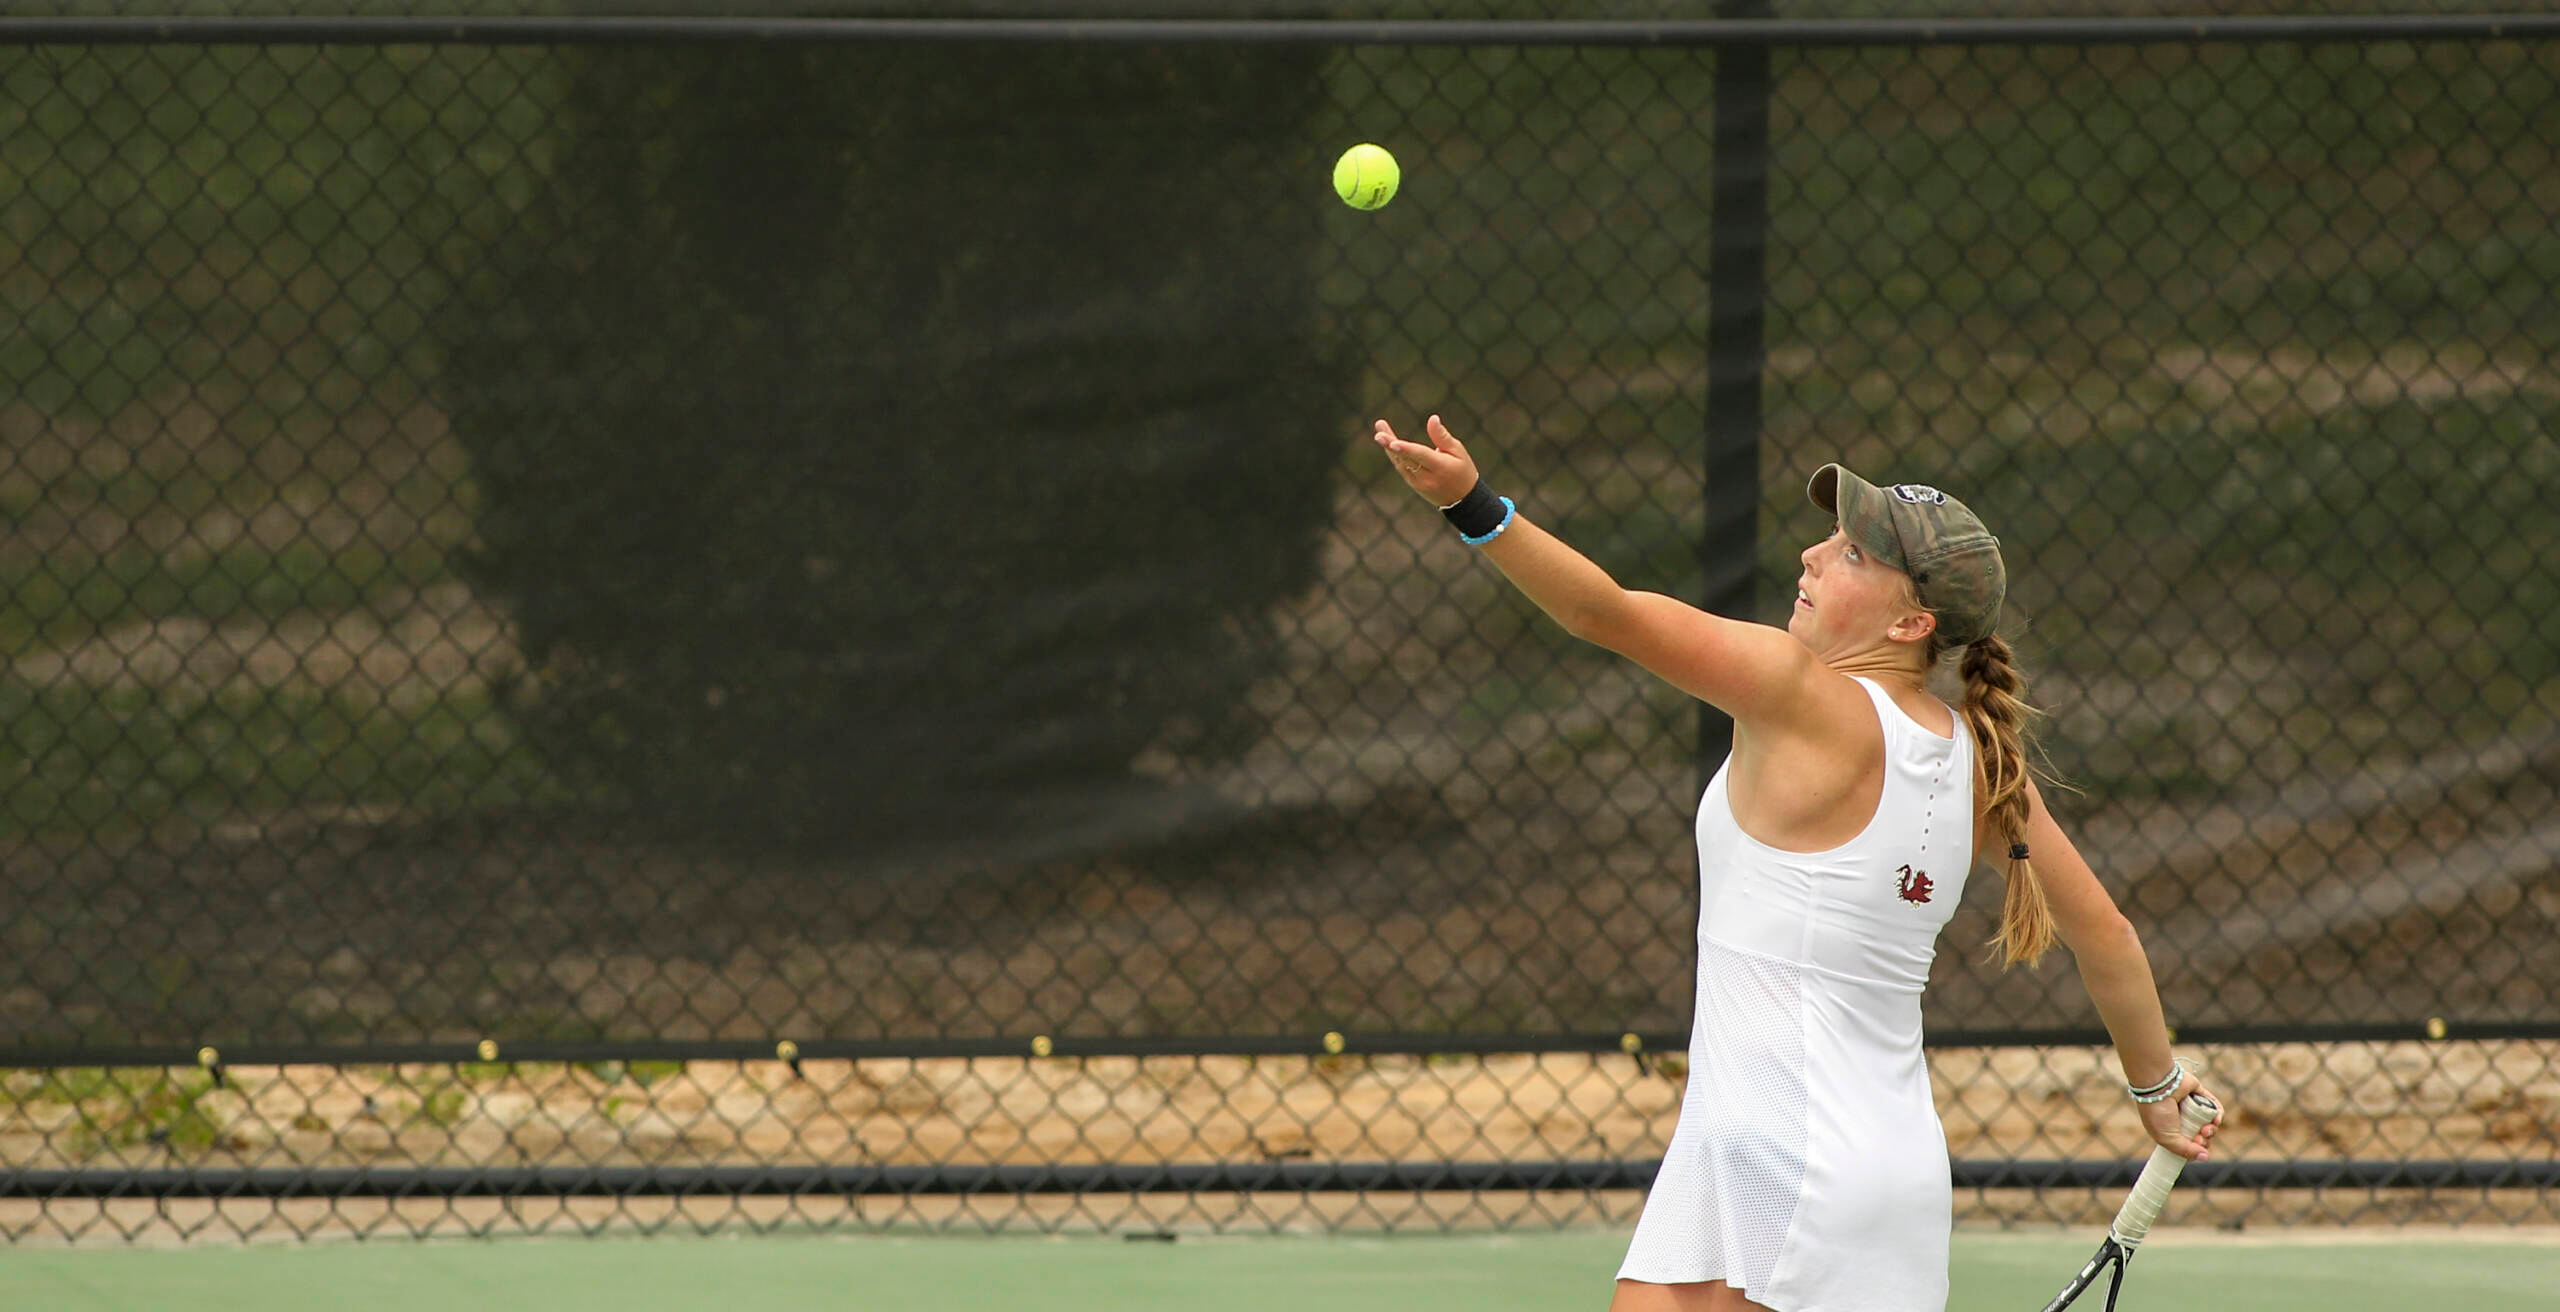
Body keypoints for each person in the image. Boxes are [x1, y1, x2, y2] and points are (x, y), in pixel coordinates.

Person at [1370, 415, 2224, 1312]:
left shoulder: (1794, 688)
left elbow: (1601, 612)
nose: (1814, 555)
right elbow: (2108, 934)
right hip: (1866, 1174)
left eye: (1852, 553)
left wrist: (1472, 505)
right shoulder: (1985, 762)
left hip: (1782, 1156)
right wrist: (2157, 1087)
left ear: (1913, 621)